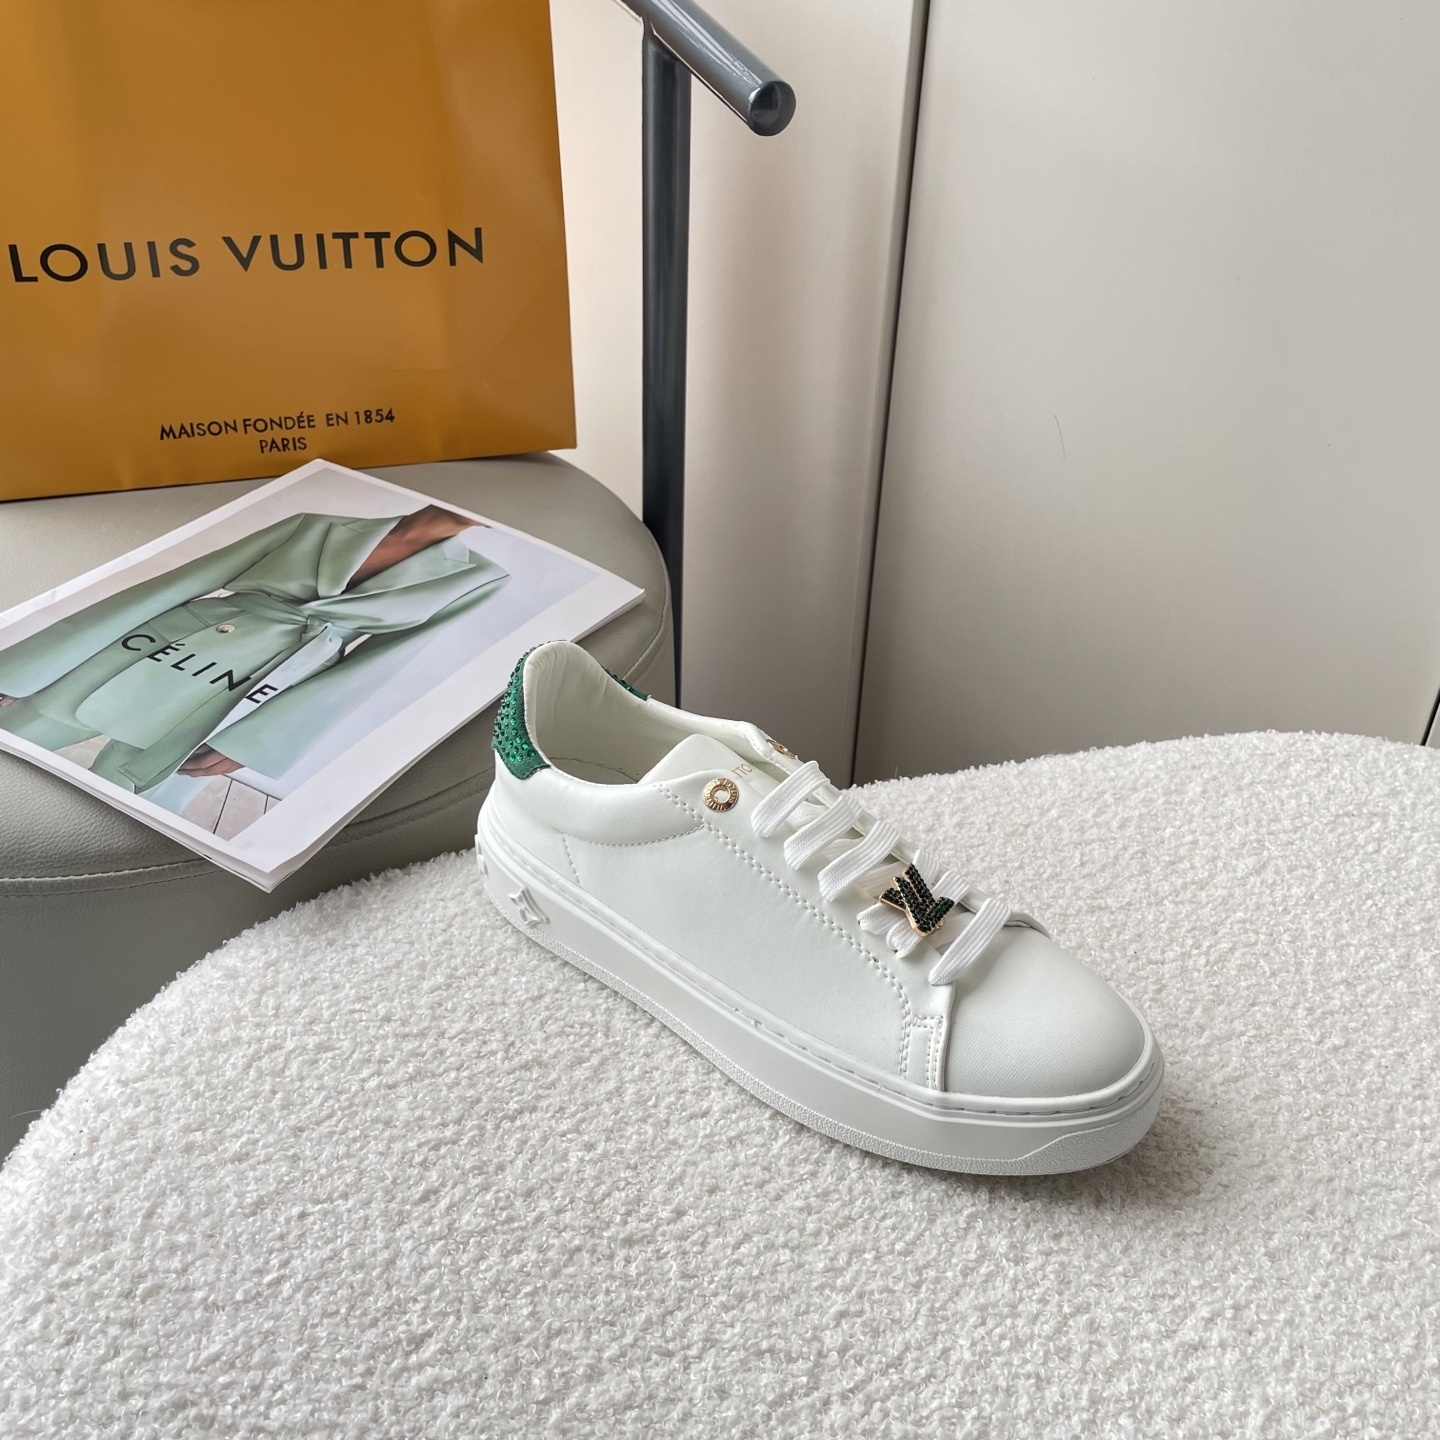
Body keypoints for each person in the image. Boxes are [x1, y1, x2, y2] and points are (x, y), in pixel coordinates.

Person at [0, 504, 508, 793]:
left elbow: (379, 666)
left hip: (265, 685)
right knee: (21, 736)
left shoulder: (479, 578)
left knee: (140, 795)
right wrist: (26, 668)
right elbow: (176, 584)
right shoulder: (316, 524)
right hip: (163, 641)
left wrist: (259, 741)